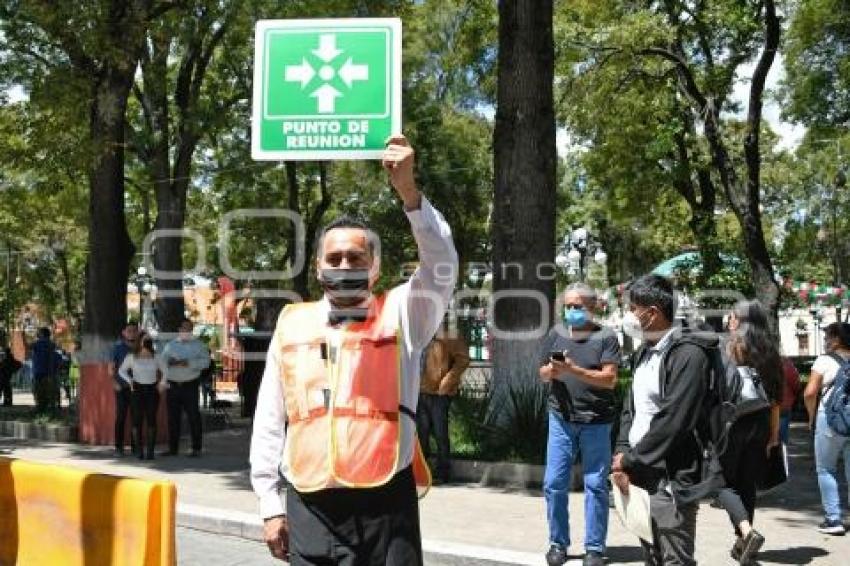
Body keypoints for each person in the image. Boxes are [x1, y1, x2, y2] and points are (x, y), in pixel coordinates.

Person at [250, 135, 457, 565]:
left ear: (376, 267)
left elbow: (441, 266)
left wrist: (409, 194)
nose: (345, 266)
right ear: (319, 267)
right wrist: (270, 505)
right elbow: (271, 418)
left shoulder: (403, 312)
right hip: (310, 505)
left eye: (356, 258)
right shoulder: (292, 324)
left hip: (385, 505)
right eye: (336, 258)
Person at [612, 274, 718, 566]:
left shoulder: (689, 354)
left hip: (672, 474)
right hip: (640, 471)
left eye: (633, 308)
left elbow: (675, 420)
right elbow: (631, 409)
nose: (629, 315)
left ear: (653, 312)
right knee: (652, 555)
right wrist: (622, 452)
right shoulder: (644, 353)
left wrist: (631, 459)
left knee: (676, 559)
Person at [538, 283, 620, 566]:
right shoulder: (556, 334)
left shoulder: (606, 337)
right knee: (553, 483)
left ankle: (595, 548)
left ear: (593, 306)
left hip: (596, 421)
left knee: (596, 485)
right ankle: (557, 543)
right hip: (561, 418)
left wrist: (573, 370)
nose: (572, 311)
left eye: (578, 306)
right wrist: (553, 371)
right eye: (568, 306)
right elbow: (542, 373)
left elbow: (609, 379)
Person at [715, 300, 783, 564]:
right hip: (761, 422)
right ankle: (745, 545)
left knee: (719, 481)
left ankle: (746, 531)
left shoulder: (727, 347)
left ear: (738, 320)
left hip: (731, 422)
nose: (728, 321)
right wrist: (774, 436)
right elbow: (776, 398)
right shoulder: (770, 351)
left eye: (731, 316)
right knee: (747, 485)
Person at [803, 322, 850, 535]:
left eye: (828, 336)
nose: (825, 340)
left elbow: (810, 392)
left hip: (829, 418)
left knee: (826, 468)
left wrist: (811, 416)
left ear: (837, 339)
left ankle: (833, 520)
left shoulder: (824, 360)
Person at [416, 323, 469, 485]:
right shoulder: (419, 330)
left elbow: (463, 359)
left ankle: (443, 471)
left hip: (440, 393)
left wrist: (447, 382)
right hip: (419, 390)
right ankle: (422, 470)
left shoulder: (449, 333)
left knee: (440, 432)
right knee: (421, 434)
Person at [160, 318, 210, 457]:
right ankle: (173, 448)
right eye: (184, 328)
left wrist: (188, 363)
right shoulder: (170, 345)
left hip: (190, 385)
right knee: (173, 418)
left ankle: (196, 448)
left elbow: (206, 362)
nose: (187, 331)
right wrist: (169, 362)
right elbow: (162, 361)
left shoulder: (198, 345)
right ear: (179, 329)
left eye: (189, 329)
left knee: (194, 417)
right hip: (173, 385)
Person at [119, 333, 164, 460]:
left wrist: (161, 383)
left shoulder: (156, 357)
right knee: (136, 421)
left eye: (149, 340)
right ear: (140, 341)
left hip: (152, 390)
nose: (148, 342)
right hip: (137, 390)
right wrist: (130, 381)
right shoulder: (132, 357)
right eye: (145, 340)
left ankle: (150, 452)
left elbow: (165, 371)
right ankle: (139, 451)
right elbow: (121, 371)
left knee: (151, 420)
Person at [109, 322, 139, 455]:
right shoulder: (117, 347)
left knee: (136, 418)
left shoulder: (141, 346)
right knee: (121, 417)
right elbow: (111, 367)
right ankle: (119, 447)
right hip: (121, 387)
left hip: (138, 387)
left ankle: (135, 447)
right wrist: (114, 382)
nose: (131, 333)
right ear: (124, 333)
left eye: (134, 331)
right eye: (129, 331)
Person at [31, 327, 62, 414]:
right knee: (50, 392)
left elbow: (28, 347)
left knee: (38, 392)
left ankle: (40, 409)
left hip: (38, 371)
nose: (38, 334)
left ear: (42, 334)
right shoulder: (52, 345)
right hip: (50, 372)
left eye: (39, 332)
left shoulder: (37, 344)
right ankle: (52, 409)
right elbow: (58, 361)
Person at [779, 356, 801, 444]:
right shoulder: (786, 364)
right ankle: (781, 451)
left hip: (765, 404)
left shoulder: (759, 362)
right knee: (782, 434)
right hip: (783, 403)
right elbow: (795, 384)